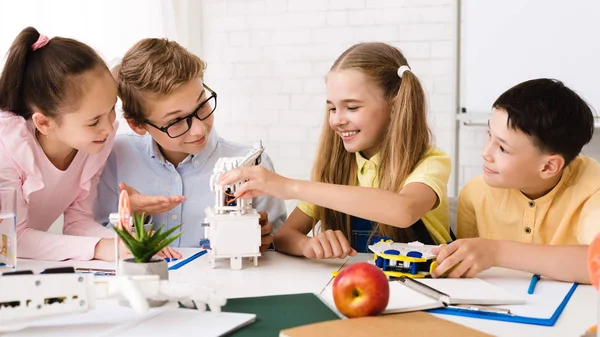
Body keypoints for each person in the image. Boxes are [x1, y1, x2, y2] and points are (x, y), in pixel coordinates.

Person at [218, 42, 452, 259]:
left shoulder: (430, 162)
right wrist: (308, 245)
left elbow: (404, 210)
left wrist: (289, 186)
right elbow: (285, 236)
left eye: (351, 107)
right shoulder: (336, 169)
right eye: (332, 108)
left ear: (395, 106)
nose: (337, 120)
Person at [94, 38, 287, 251]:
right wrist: (132, 216)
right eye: (175, 121)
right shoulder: (114, 157)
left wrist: (267, 242)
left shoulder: (251, 165)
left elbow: (280, 244)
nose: (198, 129)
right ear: (138, 125)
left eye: (202, 105)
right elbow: (94, 237)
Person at [432, 78, 599, 284]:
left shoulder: (593, 190)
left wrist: (496, 251)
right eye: (489, 135)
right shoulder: (475, 193)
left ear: (548, 167)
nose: (485, 152)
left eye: (503, 148)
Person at [0, 27, 121, 261]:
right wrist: (98, 248)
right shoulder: (8, 148)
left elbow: (78, 222)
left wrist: (122, 244)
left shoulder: (94, 142)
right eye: (94, 121)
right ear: (44, 123)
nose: (108, 127)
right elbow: (11, 239)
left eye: (112, 109)